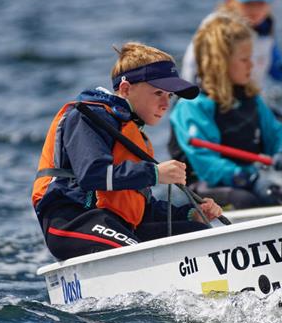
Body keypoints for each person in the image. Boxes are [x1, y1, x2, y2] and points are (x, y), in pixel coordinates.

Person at [31, 42, 223, 261]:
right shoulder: (87, 117)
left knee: (199, 235)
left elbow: (142, 208)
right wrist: (155, 174)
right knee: (134, 252)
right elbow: (92, 174)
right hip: (72, 223)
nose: (165, 104)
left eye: (169, 96)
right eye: (158, 92)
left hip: (115, 225)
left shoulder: (135, 135)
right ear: (125, 89)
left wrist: (190, 213)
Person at [169, 13, 282, 210]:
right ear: (221, 63)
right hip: (204, 189)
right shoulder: (193, 105)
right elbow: (207, 166)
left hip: (248, 180)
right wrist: (248, 178)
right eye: (244, 59)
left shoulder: (252, 99)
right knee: (246, 201)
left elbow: (275, 132)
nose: (252, 65)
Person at [180, 0, 282, 88]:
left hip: (250, 99)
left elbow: (276, 68)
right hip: (215, 99)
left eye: (260, 2)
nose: (255, 10)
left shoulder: (265, 28)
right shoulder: (218, 29)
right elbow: (193, 68)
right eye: (248, 3)